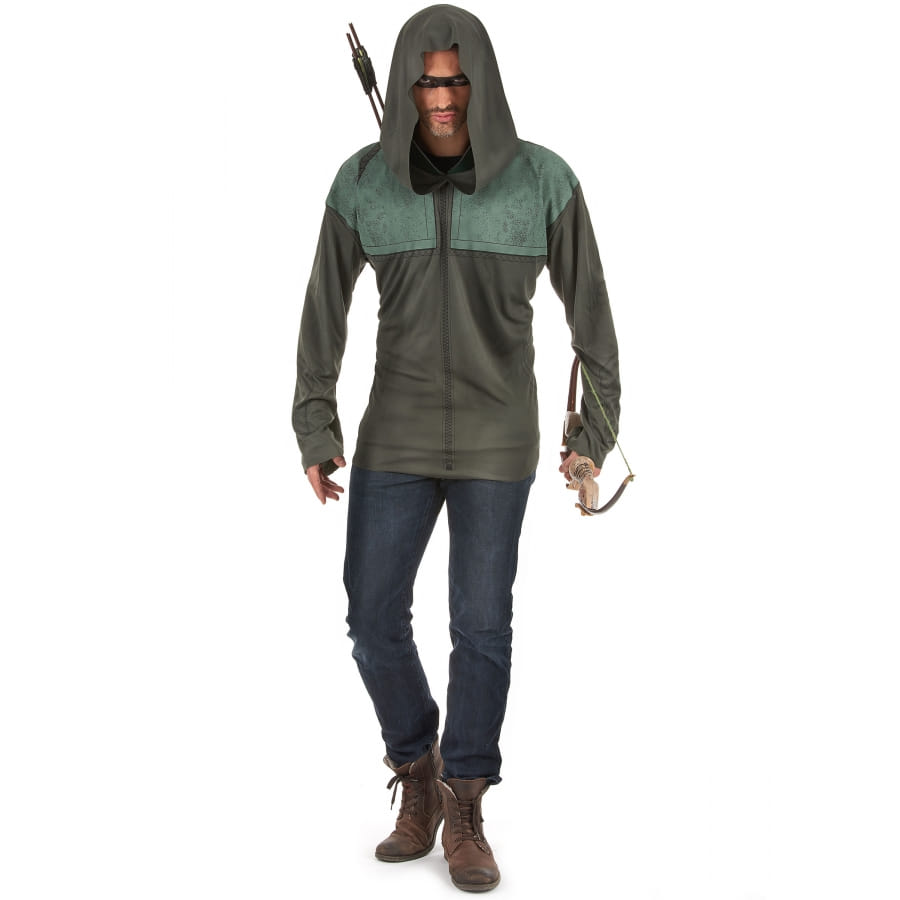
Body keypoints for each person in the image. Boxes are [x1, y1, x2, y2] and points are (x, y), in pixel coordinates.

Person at [292, 5, 621, 892]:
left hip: (496, 440)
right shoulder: (363, 183)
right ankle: (419, 767)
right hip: (394, 432)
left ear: (484, 83)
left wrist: (591, 437)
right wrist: (316, 425)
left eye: (456, 79)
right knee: (371, 617)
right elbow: (323, 312)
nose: (441, 97)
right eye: (426, 81)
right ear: (405, 86)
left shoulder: (543, 181)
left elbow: (592, 317)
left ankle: (467, 800)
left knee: (481, 625)